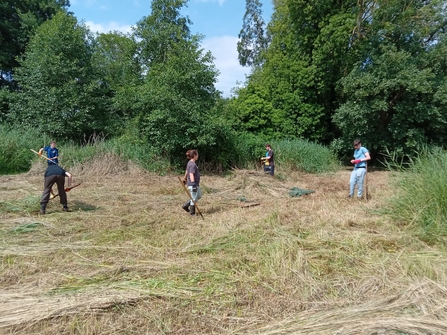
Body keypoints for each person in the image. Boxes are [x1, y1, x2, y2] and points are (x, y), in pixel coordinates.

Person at [181, 149, 202, 216]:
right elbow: (191, 174)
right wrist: (193, 184)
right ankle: (192, 213)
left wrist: (184, 178)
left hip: (195, 184)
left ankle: (186, 205)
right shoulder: (192, 164)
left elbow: (187, 171)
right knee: (194, 198)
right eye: (197, 154)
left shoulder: (190, 162)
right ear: (195, 155)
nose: (198, 156)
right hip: (193, 184)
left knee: (199, 196)